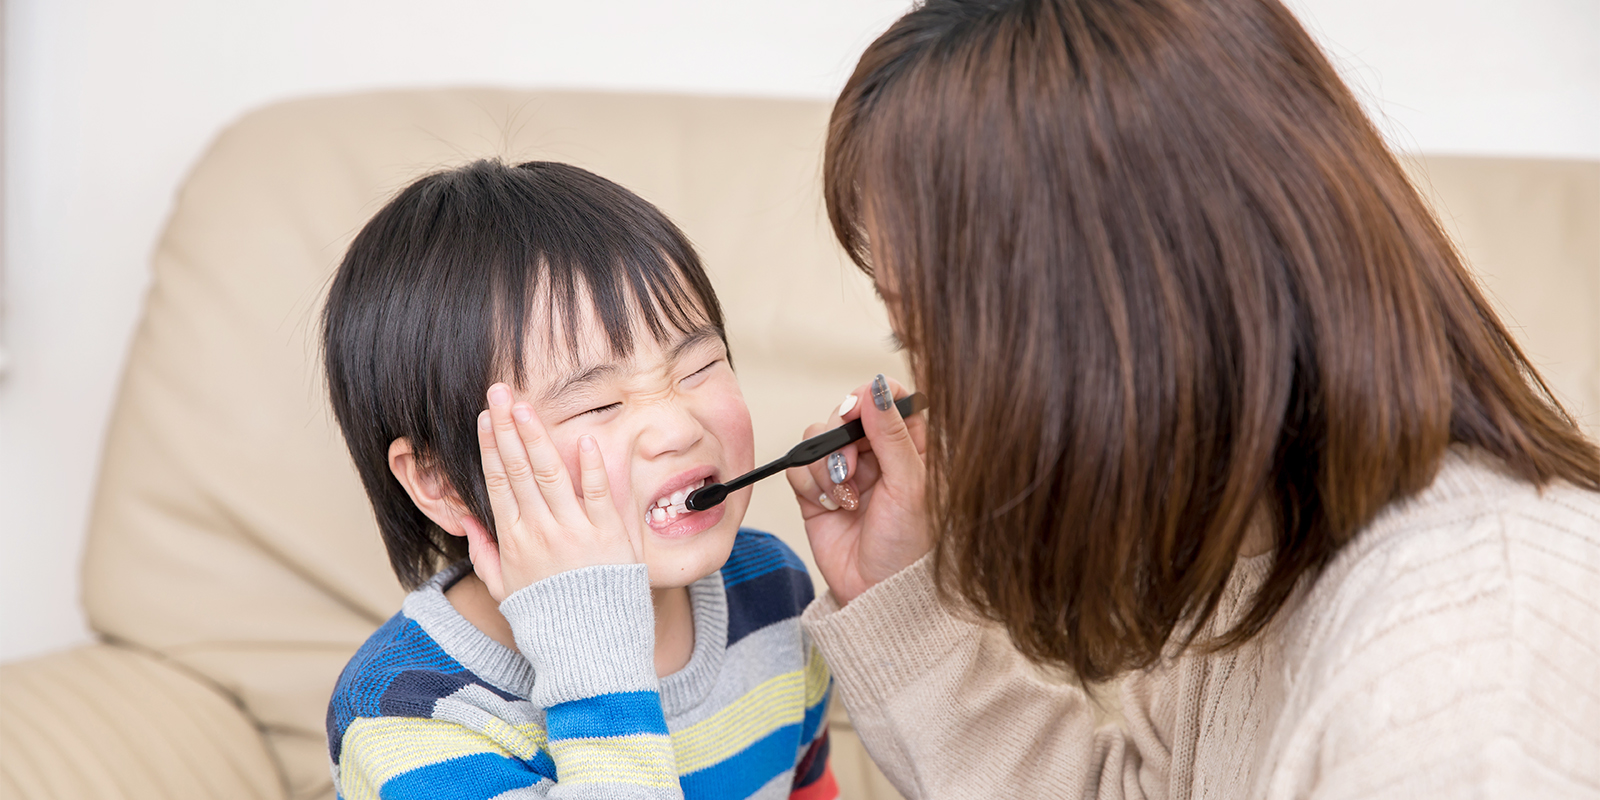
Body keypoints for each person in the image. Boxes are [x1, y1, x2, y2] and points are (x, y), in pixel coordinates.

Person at [787, 0, 1600, 797]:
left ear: (1121, 312)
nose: (945, 405)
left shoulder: (1470, 683)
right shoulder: (1256, 552)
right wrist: (903, 603)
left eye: (934, 340)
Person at [320, 160, 837, 800]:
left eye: (701, 365)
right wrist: (597, 669)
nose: (677, 427)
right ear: (441, 483)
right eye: (597, 405)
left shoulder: (771, 591)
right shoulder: (407, 714)